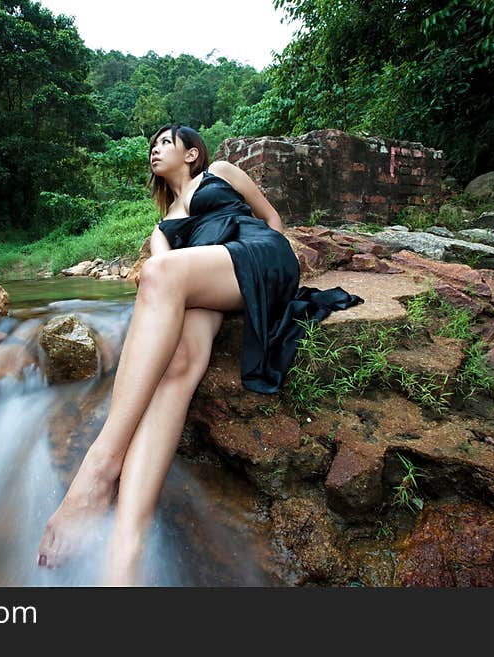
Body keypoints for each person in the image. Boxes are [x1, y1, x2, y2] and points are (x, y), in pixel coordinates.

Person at [36, 124, 363, 585]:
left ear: (192, 154)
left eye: (165, 142)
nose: (154, 148)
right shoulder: (162, 225)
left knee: (159, 273)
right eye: (152, 144)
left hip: (254, 256)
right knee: (178, 364)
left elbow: (274, 221)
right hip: (204, 283)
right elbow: (165, 281)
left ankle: (99, 468)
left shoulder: (222, 173)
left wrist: (275, 284)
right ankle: (125, 551)